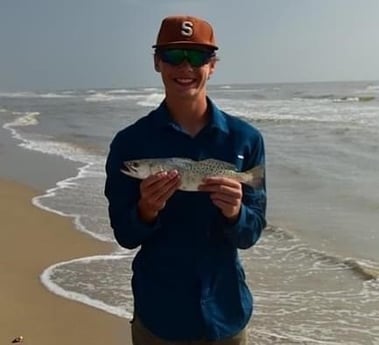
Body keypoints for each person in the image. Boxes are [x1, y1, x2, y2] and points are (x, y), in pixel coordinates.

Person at [104, 15, 267, 345]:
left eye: (196, 57)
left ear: (212, 65)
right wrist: (146, 209)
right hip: (160, 315)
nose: (185, 68)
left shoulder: (244, 139)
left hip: (227, 311)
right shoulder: (130, 144)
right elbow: (125, 234)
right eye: (173, 56)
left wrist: (236, 213)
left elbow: (250, 234)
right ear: (156, 62)